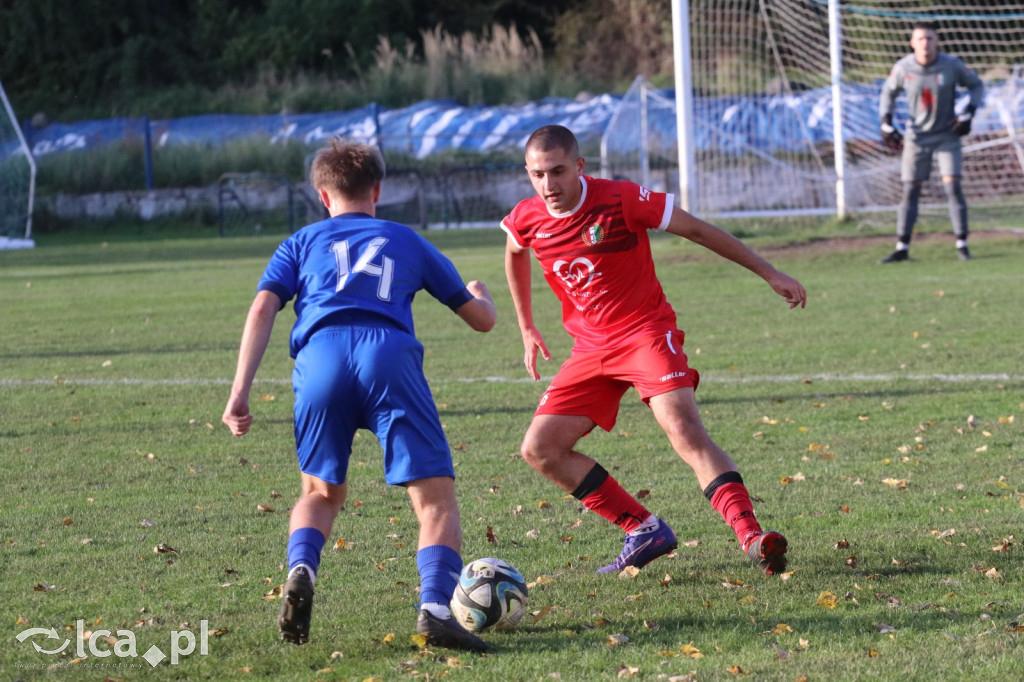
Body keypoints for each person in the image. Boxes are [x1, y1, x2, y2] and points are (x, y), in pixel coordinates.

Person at [222, 138, 497, 652]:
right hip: (387, 357)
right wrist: (483, 296)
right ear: (377, 189)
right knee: (434, 499)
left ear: (323, 197)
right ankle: (436, 609)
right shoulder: (405, 239)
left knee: (320, 494)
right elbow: (479, 321)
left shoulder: (301, 241)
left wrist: (240, 392)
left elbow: (263, 309)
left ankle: (302, 568)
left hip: (319, 359)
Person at [501, 125, 806, 577]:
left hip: (645, 332)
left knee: (683, 428)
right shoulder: (528, 216)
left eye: (558, 171)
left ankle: (752, 537)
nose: (549, 185)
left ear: (580, 166)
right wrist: (526, 326)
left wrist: (769, 273)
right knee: (540, 449)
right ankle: (643, 529)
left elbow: (698, 231)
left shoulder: (621, 199)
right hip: (589, 350)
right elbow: (514, 251)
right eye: (537, 175)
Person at [878, 20, 984, 263]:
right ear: (912, 43)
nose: (925, 43)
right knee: (910, 190)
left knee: (953, 186)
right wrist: (886, 122)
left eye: (929, 38)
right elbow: (887, 93)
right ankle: (902, 247)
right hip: (916, 137)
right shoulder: (903, 67)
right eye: (920, 39)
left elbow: (976, 86)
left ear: (937, 41)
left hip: (947, 135)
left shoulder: (951, 65)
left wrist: (968, 112)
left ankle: (962, 244)